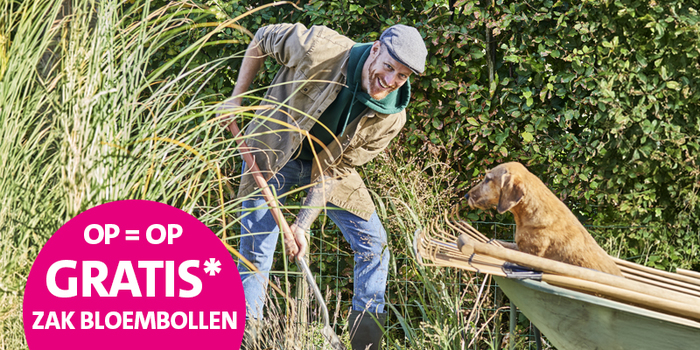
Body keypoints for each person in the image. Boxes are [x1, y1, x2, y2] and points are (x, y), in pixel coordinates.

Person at [219, 22, 427, 350]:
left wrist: (301, 225)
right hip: (275, 153)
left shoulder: (391, 118)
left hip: (328, 168)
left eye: (401, 76)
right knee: (256, 254)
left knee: (375, 246)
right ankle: (247, 341)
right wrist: (236, 98)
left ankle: (364, 344)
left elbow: (334, 170)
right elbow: (261, 39)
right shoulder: (318, 47)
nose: (390, 81)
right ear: (375, 49)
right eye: (388, 67)